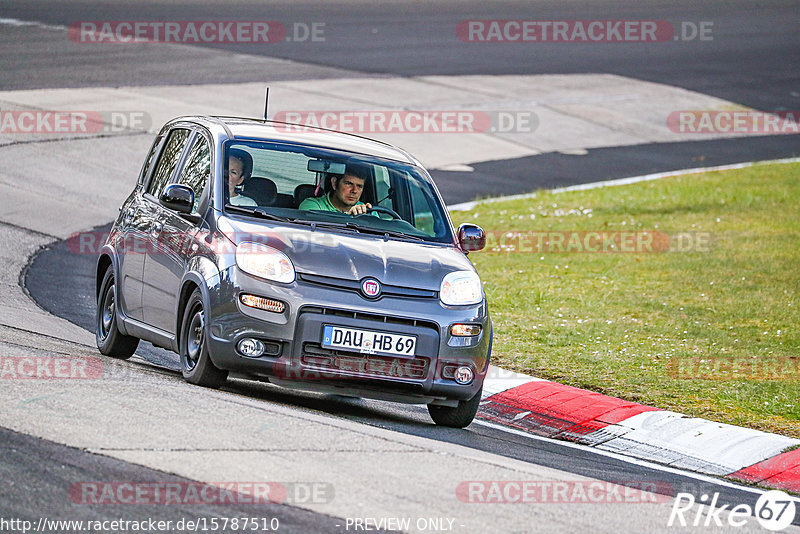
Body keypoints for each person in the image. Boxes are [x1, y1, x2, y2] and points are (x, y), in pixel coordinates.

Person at [299, 162, 373, 215]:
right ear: (334, 183)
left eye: (359, 186)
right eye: (348, 184)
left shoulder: (368, 211)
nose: (354, 191)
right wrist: (350, 216)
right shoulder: (312, 205)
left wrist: (365, 217)